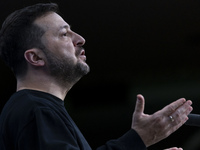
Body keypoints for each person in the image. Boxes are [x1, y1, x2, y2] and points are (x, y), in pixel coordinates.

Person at [0, 3, 192, 150]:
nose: (80, 39)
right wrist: (138, 138)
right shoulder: (36, 109)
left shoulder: (35, 109)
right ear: (35, 57)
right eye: (64, 34)